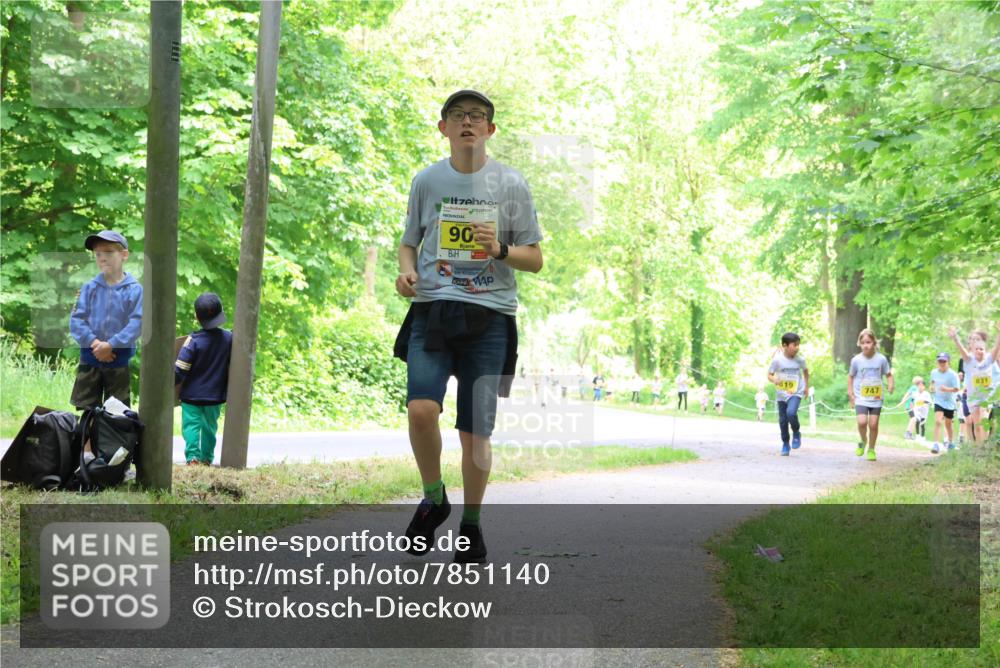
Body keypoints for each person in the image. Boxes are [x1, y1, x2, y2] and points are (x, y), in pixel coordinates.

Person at [393, 89, 543, 564]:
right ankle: (434, 498)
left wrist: (498, 249)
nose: (467, 123)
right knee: (420, 411)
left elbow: (535, 259)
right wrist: (406, 273)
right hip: (434, 309)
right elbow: (408, 243)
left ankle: (472, 525)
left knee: (476, 435)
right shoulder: (428, 181)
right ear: (443, 128)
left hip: (491, 317)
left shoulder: (512, 185)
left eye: (477, 117)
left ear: (490, 129)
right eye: (457, 116)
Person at [69, 230, 143, 410]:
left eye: (109, 252)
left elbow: (137, 323)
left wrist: (111, 345)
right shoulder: (88, 288)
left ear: (124, 255)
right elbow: (76, 321)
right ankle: (87, 439)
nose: (102, 258)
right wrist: (95, 344)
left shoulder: (134, 290)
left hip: (118, 360)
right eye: (98, 253)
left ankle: (113, 439)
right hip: (90, 359)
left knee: (117, 414)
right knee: (87, 412)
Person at [174, 293, 233, 466]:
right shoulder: (229, 338)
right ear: (221, 313)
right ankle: (207, 458)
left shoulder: (193, 341)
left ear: (196, 317)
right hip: (214, 396)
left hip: (191, 396)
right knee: (209, 428)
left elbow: (180, 369)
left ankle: (192, 458)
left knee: (191, 426)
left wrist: (170, 382)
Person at [949, 324, 1000, 446]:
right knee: (976, 424)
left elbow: (997, 347)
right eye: (976, 348)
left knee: (984, 418)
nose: (979, 351)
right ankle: (978, 447)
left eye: (981, 349)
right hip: (973, 396)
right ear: (972, 349)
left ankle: (984, 446)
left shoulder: (989, 359)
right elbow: (961, 350)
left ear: (984, 349)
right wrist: (955, 338)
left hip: (987, 396)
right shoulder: (968, 360)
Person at [847, 328, 894, 461]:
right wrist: (851, 394)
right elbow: (850, 377)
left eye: (868, 342)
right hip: (860, 396)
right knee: (862, 422)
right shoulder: (856, 360)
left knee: (873, 424)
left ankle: (872, 449)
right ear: (859, 344)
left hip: (876, 397)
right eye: (863, 343)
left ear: (874, 343)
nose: (865, 345)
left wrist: (891, 385)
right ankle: (863, 441)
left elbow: (889, 375)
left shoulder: (881, 359)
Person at [767, 332, 809, 456]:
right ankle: (785, 443)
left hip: (796, 391)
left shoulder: (800, 359)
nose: (797, 347)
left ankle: (796, 432)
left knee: (791, 413)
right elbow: (769, 374)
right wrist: (774, 379)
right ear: (785, 345)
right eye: (794, 345)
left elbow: (806, 372)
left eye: (798, 345)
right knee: (783, 421)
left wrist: (806, 386)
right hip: (781, 394)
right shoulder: (777, 360)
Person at [930, 352, 960, 454]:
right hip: (938, 399)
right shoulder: (934, 372)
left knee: (948, 424)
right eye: (940, 361)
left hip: (949, 402)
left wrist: (946, 389)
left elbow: (957, 389)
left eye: (944, 361)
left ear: (948, 362)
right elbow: (932, 382)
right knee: (938, 421)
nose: (942, 363)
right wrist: (932, 388)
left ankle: (950, 443)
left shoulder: (953, 374)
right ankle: (936, 444)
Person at [912, 378, 931, 443]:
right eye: (919, 386)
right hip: (917, 410)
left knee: (922, 424)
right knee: (917, 420)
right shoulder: (915, 393)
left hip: (924, 411)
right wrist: (911, 404)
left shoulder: (926, 394)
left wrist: (924, 401)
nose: (920, 387)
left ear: (924, 387)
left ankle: (923, 436)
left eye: (921, 386)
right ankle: (917, 436)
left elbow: (929, 402)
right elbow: (912, 400)